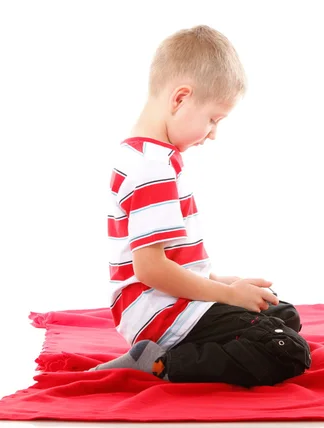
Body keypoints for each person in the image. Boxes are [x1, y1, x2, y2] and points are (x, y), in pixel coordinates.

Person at [90, 25, 311, 387]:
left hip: (169, 305)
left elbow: (174, 259)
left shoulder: (148, 155)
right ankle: (160, 363)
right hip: (164, 314)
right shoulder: (153, 168)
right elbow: (149, 269)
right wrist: (226, 296)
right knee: (288, 350)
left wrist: (227, 283)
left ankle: (182, 349)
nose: (213, 134)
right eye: (212, 120)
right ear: (180, 99)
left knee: (281, 314)